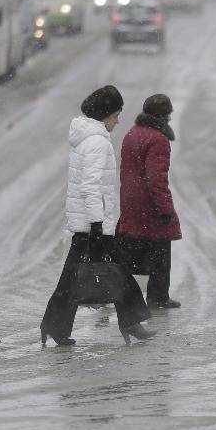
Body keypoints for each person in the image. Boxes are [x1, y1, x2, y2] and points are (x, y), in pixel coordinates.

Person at [40, 85, 155, 346]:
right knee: (119, 274)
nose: (117, 120)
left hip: (88, 223)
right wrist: (96, 224)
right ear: (104, 115)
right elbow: (90, 186)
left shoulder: (87, 138)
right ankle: (132, 323)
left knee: (73, 280)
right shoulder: (96, 142)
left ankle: (55, 327)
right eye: (116, 115)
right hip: (92, 224)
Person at [116, 94, 182, 309]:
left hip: (131, 199)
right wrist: (165, 209)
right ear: (165, 115)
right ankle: (158, 296)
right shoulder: (158, 139)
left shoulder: (132, 134)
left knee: (129, 248)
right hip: (149, 203)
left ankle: (120, 291)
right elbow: (157, 178)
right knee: (161, 248)